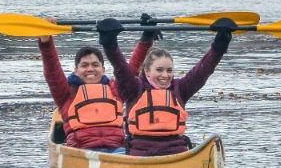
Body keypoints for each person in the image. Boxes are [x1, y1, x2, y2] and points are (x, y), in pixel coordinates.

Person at [100, 17, 235, 157]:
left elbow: (203, 70)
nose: (165, 75)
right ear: (146, 71)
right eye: (159, 70)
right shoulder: (134, 88)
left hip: (176, 155)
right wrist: (110, 44)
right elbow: (120, 67)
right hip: (140, 156)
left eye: (169, 70)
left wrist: (220, 43)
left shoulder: (181, 89)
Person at [38, 18, 159, 153]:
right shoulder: (66, 93)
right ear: (76, 71)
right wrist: (46, 41)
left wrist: (146, 38)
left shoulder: (115, 89)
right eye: (84, 65)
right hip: (81, 151)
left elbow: (131, 69)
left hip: (117, 150)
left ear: (103, 70)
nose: (90, 69)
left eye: (95, 65)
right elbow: (52, 69)